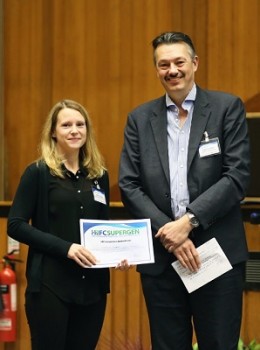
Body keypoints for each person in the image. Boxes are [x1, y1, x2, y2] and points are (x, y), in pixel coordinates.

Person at [119, 32, 250, 350]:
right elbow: (129, 184)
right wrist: (170, 234)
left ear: (195, 63)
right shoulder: (139, 119)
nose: (172, 70)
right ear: (156, 70)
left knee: (219, 343)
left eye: (179, 62)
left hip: (215, 256)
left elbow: (237, 177)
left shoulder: (225, 108)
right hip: (163, 261)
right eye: (163, 64)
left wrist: (188, 222)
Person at [8, 99, 128, 350]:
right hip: (51, 285)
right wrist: (67, 248)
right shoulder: (38, 173)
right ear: (53, 132)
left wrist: (118, 253)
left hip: (92, 287)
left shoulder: (99, 175)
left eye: (80, 124)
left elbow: (103, 225)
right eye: (66, 125)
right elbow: (16, 225)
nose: (74, 130)